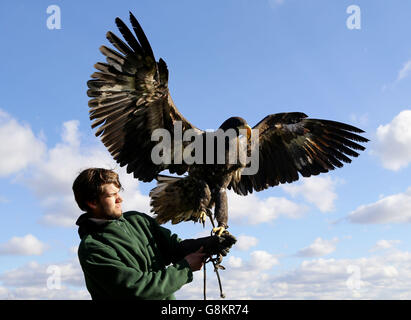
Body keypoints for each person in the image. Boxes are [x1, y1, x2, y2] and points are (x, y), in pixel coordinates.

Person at [73, 168, 236, 300]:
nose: (120, 199)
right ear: (92, 202)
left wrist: (209, 244)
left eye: (119, 192)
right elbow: (138, 290)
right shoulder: (93, 248)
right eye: (112, 195)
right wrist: (185, 268)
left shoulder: (137, 220)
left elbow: (174, 248)